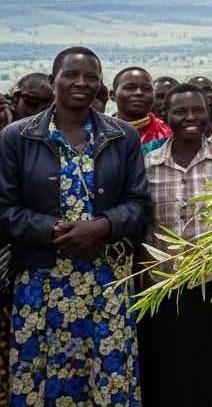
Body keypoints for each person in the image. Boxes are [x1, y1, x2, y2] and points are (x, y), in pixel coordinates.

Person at [0, 47, 152, 406]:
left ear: (100, 84)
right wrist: (54, 232)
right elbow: (4, 210)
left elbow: (139, 205)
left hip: (106, 281)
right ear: (54, 81)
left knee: (108, 377)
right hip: (41, 284)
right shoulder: (17, 137)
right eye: (71, 75)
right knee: (41, 378)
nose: (81, 83)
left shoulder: (122, 136)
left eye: (90, 77)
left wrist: (101, 227)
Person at [138, 83, 212, 407]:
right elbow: (141, 224)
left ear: (209, 114)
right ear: (166, 116)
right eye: (180, 111)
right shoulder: (147, 160)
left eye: (198, 110)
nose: (190, 118)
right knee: (164, 367)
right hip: (161, 283)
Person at [112, 66, 173, 153]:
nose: (139, 93)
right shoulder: (98, 133)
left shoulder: (168, 137)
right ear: (113, 95)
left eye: (146, 89)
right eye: (129, 88)